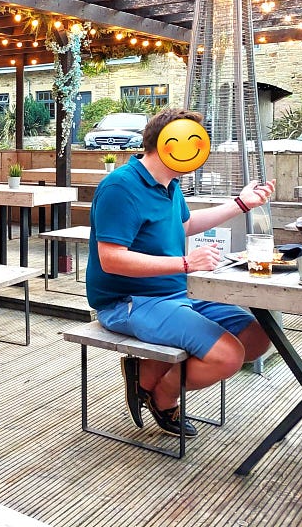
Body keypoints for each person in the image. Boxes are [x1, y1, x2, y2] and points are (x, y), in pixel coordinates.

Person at [87, 108, 273, 437]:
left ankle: (147, 371)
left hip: (176, 293)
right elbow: (111, 259)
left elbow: (184, 225)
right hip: (128, 301)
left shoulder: (169, 184)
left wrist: (241, 204)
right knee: (228, 357)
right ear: (167, 145)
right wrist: (186, 264)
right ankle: (160, 395)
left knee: (257, 338)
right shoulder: (120, 187)